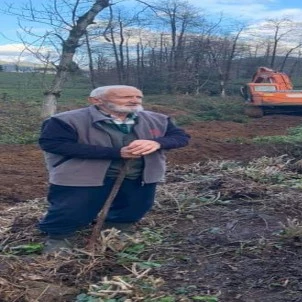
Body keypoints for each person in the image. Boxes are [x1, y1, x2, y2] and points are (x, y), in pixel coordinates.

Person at [38, 85, 190, 252]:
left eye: (138, 97)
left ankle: (116, 230)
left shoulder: (159, 119)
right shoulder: (65, 120)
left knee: (134, 205)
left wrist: (157, 142)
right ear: (96, 100)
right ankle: (60, 239)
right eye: (125, 97)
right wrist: (116, 153)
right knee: (72, 208)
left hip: (139, 173)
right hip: (82, 175)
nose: (134, 100)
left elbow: (181, 137)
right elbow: (53, 144)